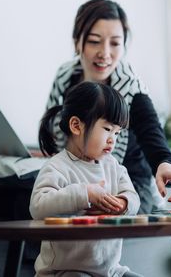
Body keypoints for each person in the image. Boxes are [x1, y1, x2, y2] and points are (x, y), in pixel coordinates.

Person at [46, 0, 171, 213]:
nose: (105, 53)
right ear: (78, 42)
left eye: (115, 43)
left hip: (128, 184)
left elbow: (152, 133)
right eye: (95, 41)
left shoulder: (131, 88)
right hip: (73, 175)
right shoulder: (65, 76)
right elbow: (54, 130)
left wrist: (165, 162)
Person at [30, 81, 141, 277]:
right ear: (76, 126)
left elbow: (133, 198)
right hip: (65, 271)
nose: (112, 140)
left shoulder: (113, 166)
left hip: (110, 270)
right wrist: (85, 193)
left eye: (117, 133)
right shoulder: (57, 166)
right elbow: (38, 206)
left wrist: (123, 204)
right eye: (107, 129)